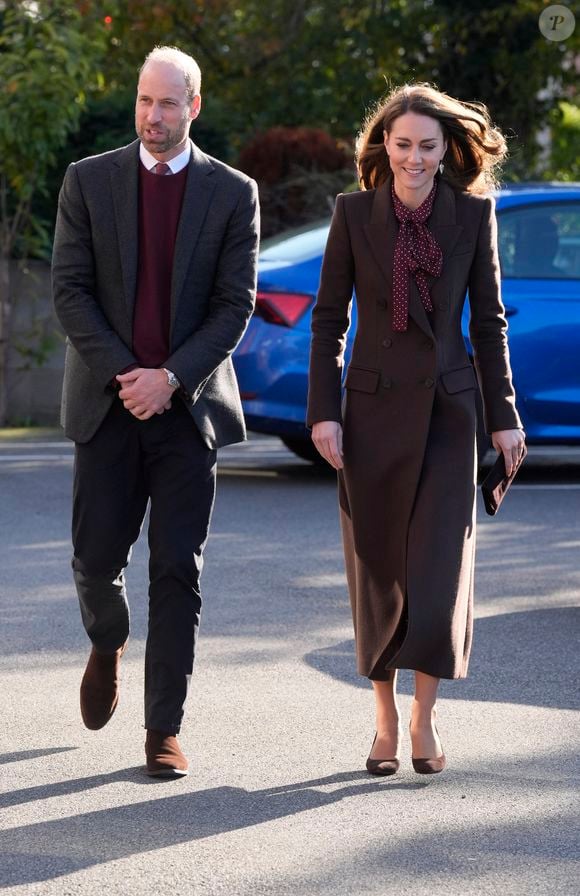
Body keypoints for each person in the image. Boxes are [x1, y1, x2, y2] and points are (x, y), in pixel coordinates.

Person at [52, 46, 259, 777]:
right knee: (95, 560)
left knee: (178, 569)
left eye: (169, 103)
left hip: (186, 411)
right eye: (145, 100)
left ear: (194, 107)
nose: (153, 115)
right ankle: (107, 641)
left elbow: (235, 305)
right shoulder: (89, 181)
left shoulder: (232, 193)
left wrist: (169, 378)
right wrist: (127, 377)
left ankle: (162, 728)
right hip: (107, 409)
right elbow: (70, 291)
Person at [307, 84, 525, 776]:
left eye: (427, 146)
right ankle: (383, 717)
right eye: (402, 145)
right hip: (369, 418)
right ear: (385, 148)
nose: (414, 158)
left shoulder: (471, 217)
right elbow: (328, 322)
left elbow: (488, 324)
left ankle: (425, 719)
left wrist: (505, 420)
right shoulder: (352, 215)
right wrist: (324, 411)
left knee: (436, 577)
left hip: (447, 417)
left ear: (445, 151)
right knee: (379, 574)